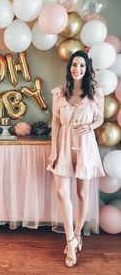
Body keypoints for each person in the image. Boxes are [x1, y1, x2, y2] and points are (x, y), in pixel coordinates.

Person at [47, 50, 105, 267]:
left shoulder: (95, 92)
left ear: (87, 68)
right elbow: (55, 122)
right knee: (62, 192)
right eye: (74, 65)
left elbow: (100, 119)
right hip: (63, 145)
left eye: (81, 65)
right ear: (69, 67)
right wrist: (53, 150)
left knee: (82, 193)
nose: (77, 69)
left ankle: (76, 234)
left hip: (85, 145)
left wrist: (90, 126)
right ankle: (70, 241)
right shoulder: (60, 92)